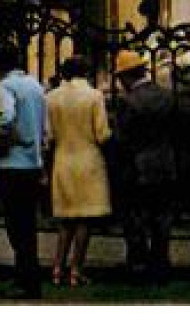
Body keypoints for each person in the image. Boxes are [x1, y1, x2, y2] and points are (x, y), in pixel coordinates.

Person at [45, 55, 111, 287]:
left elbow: (49, 135)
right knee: (85, 220)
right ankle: (76, 269)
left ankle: (56, 268)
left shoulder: (52, 98)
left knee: (65, 221)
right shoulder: (94, 96)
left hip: (63, 160)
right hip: (88, 161)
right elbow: (102, 133)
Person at [112, 50, 177, 281]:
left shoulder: (127, 101)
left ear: (126, 77)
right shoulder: (167, 96)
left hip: (137, 167)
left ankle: (138, 261)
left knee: (135, 216)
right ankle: (160, 262)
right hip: (164, 164)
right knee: (162, 217)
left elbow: (121, 138)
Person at [0, 43, 48, 299]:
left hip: (13, 163)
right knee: (28, 224)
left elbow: (5, 119)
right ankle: (30, 277)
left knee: (15, 225)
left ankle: (24, 279)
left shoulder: (6, 87)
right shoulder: (35, 86)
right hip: (33, 163)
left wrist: (9, 141)